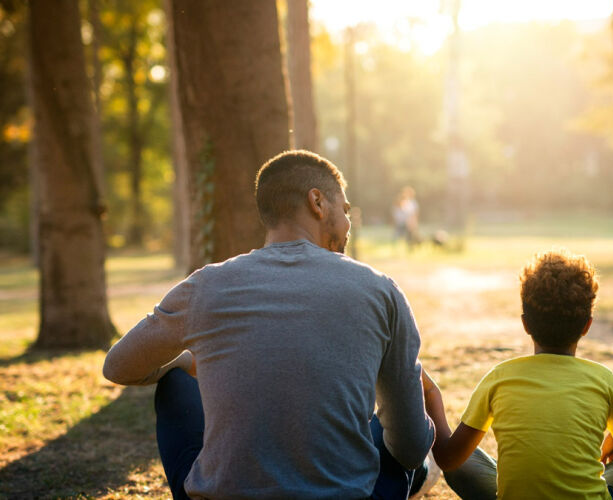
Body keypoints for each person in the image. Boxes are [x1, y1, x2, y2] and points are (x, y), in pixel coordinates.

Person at [102, 150, 435, 499]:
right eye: (346, 210)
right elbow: (410, 448)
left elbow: (118, 366)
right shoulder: (379, 289)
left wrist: (186, 361)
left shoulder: (206, 286)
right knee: (395, 433)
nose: (348, 224)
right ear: (317, 202)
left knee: (174, 382)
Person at [421, 249, 613, 499]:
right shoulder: (602, 379)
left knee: (465, 460)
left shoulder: (499, 377)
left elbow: (449, 459)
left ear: (525, 324)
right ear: (587, 325)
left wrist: (432, 395)